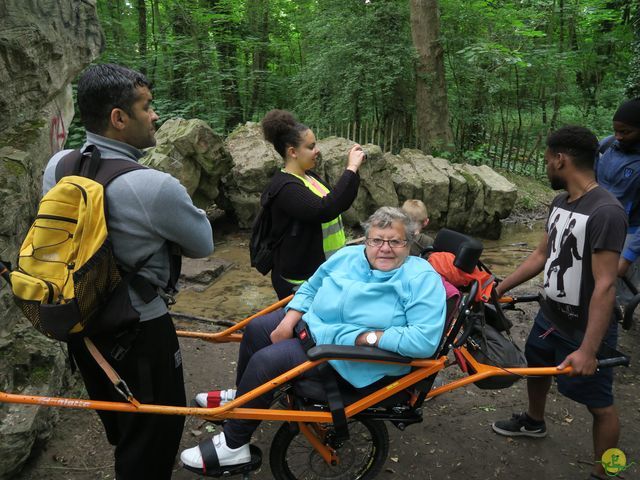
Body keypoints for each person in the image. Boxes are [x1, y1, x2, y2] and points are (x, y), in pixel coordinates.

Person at [42, 64, 214, 480]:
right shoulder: (153, 185)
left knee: (122, 423)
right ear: (119, 118)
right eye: (146, 106)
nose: (155, 115)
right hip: (140, 331)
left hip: (81, 320)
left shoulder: (59, 165)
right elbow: (203, 243)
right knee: (156, 429)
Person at [181, 206, 447, 472]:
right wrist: (290, 319)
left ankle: (233, 445)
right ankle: (244, 400)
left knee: (266, 361)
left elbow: (423, 340)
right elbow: (311, 286)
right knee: (256, 329)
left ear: (408, 242)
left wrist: (367, 336)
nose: (384, 248)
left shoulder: (421, 278)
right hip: (315, 328)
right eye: (376, 240)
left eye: (395, 241)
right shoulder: (348, 256)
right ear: (367, 240)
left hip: (351, 356)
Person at [491, 126, 627, 480]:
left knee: (601, 407)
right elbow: (541, 254)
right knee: (536, 367)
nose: (546, 166)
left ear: (560, 159)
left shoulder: (606, 212)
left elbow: (606, 285)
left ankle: (608, 471)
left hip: (583, 327)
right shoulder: (560, 202)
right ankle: (535, 421)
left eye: (547, 159)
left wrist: (588, 349)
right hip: (550, 313)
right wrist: (498, 287)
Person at [259, 109, 365, 299]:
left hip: (325, 269)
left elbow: (339, 203)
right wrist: (351, 168)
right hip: (300, 282)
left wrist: (355, 172)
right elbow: (323, 210)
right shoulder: (285, 187)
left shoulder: (309, 177)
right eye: (311, 146)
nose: (317, 151)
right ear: (292, 152)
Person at [595, 98, 640, 306]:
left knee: (618, 293)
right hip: (599, 223)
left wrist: (629, 256)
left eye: (626, 132)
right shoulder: (606, 146)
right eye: (616, 130)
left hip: (630, 232)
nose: (618, 136)